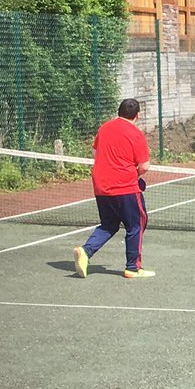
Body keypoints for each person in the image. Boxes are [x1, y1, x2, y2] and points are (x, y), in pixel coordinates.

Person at [73, 98, 153, 279]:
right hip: (125, 188)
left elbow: (96, 152)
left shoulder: (104, 128)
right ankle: (133, 268)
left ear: (119, 112)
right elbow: (145, 165)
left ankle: (85, 252)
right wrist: (135, 175)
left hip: (101, 187)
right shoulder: (136, 134)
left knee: (109, 224)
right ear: (138, 115)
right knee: (137, 224)